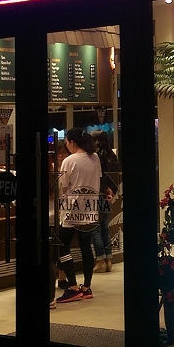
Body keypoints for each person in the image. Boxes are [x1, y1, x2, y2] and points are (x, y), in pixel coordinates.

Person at [56, 127, 100, 304]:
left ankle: (73, 286)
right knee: (86, 247)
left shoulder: (69, 161)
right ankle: (86, 287)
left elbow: (63, 186)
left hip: (71, 210)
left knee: (62, 246)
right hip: (90, 209)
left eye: (67, 141)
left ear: (72, 142)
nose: (66, 145)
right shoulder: (95, 158)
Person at [92, 131, 118, 274]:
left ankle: (100, 260)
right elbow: (116, 176)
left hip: (98, 194)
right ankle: (109, 259)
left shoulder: (96, 156)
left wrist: (103, 189)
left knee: (96, 228)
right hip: (109, 196)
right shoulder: (112, 156)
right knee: (105, 228)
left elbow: (98, 176)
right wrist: (111, 191)